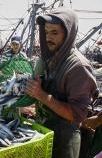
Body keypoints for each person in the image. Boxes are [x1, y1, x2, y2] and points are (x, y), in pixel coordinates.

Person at [25, 8, 97, 158]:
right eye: (46, 32)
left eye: (55, 33)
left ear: (69, 33)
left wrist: (41, 95)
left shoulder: (78, 67)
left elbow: (77, 115)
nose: (48, 38)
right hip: (45, 132)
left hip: (64, 142)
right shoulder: (52, 59)